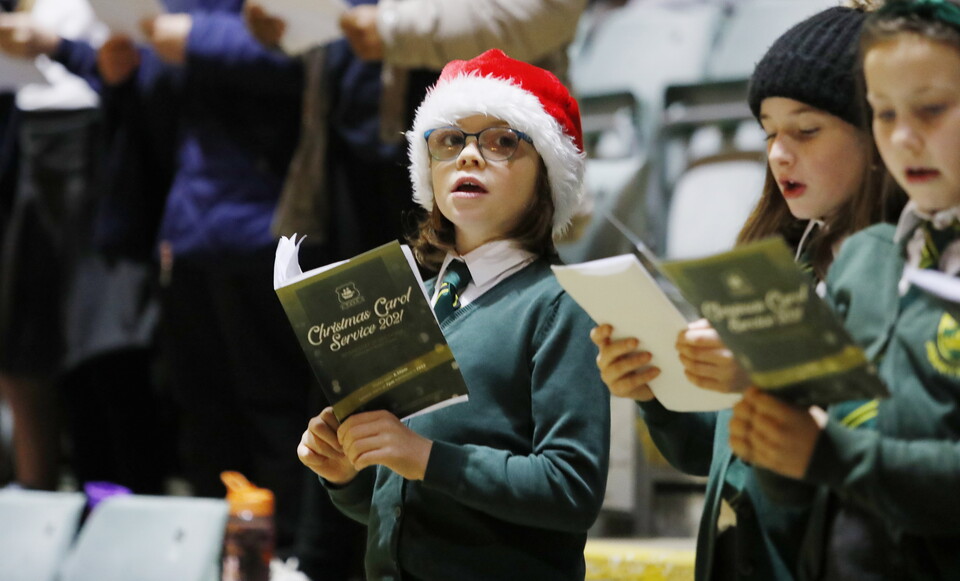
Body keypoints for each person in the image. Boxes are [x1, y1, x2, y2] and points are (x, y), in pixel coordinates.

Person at [590, 4, 903, 580]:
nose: (779, 153)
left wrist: (765, 376)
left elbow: (873, 457)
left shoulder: (896, 267)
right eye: (769, 133)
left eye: (807, 130)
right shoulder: (788, 261)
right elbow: (718, 458)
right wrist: (656, 389)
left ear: (879, 131)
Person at [298, 49, 611, 581]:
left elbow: (571, 488)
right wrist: (350, 474)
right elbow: (406, 507)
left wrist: (423, 457)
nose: (468, 156)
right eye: (448, 140)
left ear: (547, 176)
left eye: (502, 141)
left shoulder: (557, 303)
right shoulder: (408, 300)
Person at [728, 1, 960, 579]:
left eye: (930, 110)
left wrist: (834, 454)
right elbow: (804, 496)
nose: (903, 138)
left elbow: (850, 457)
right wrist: (777, 430)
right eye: (883, 113)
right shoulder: (872, 255)